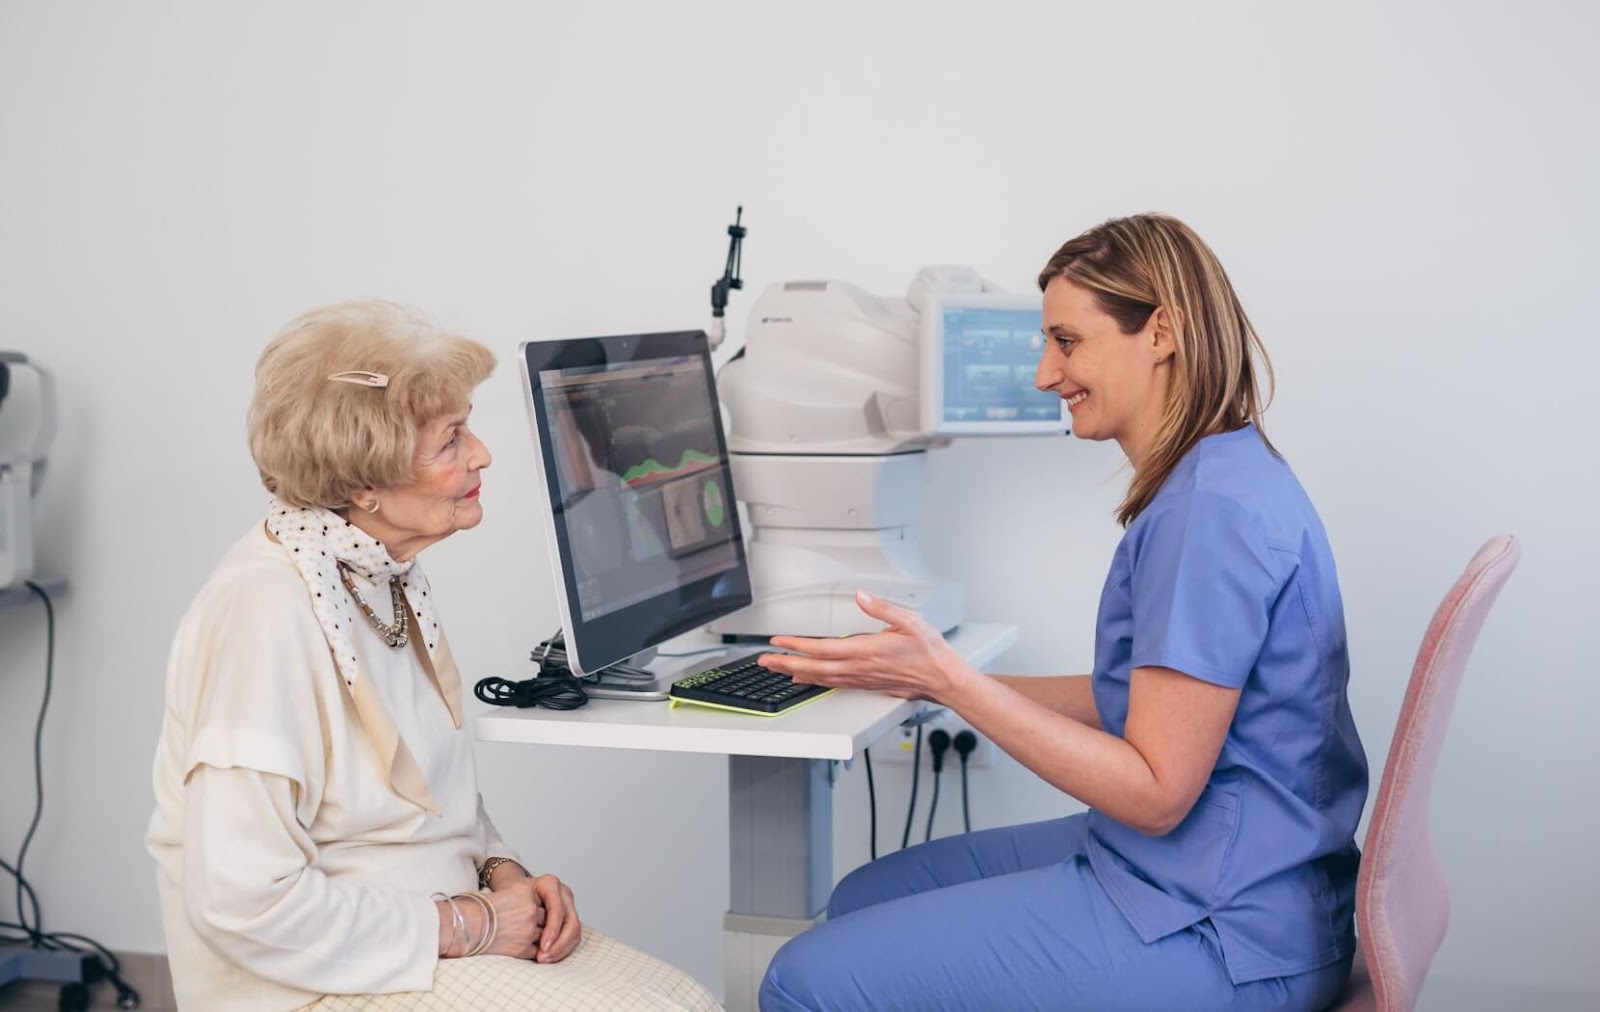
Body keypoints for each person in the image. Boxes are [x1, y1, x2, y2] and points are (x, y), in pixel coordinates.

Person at [756, 214, 1368, 1011]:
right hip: (1239, 883)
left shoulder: (1206, 516)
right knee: (865, 894)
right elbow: (1154, 702)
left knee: (801, 983)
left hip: (1226, 930)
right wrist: (931, 679)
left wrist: (955, 684)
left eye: (1067, 343)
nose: (1045, 375)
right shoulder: (1225, 472)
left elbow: (1155, 790)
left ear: (1162, 333)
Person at [146, 300, 721, 1012]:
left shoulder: (378, 572)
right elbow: (240, 902)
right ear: (364, 481)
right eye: (452, 441)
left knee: (685, 997)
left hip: (431, 926)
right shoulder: (265, 614)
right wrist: (471, 922)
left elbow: (424, 799)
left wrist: (503, 872)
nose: (481, 455)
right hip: (315, 983)